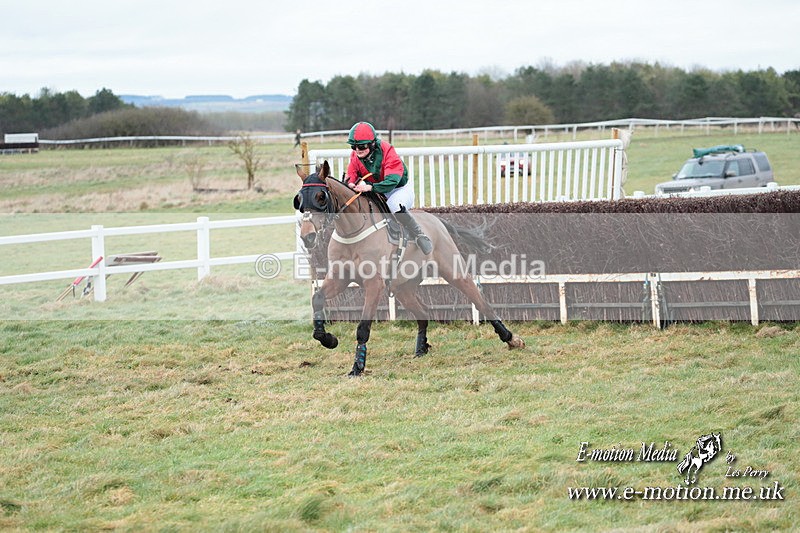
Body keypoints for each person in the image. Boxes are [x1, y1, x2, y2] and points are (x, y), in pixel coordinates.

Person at [345, 121, 432, 255]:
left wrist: (370, 187)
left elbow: (391, 181)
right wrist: (350, 183)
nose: (357, 150)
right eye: (354, 146)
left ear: (372, 143)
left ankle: (419, 234)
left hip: (397, 189)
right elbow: (351, 173)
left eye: (361, 146)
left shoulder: (388, 151)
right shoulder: (356, 155)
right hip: (375, 189)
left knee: (393, 204)